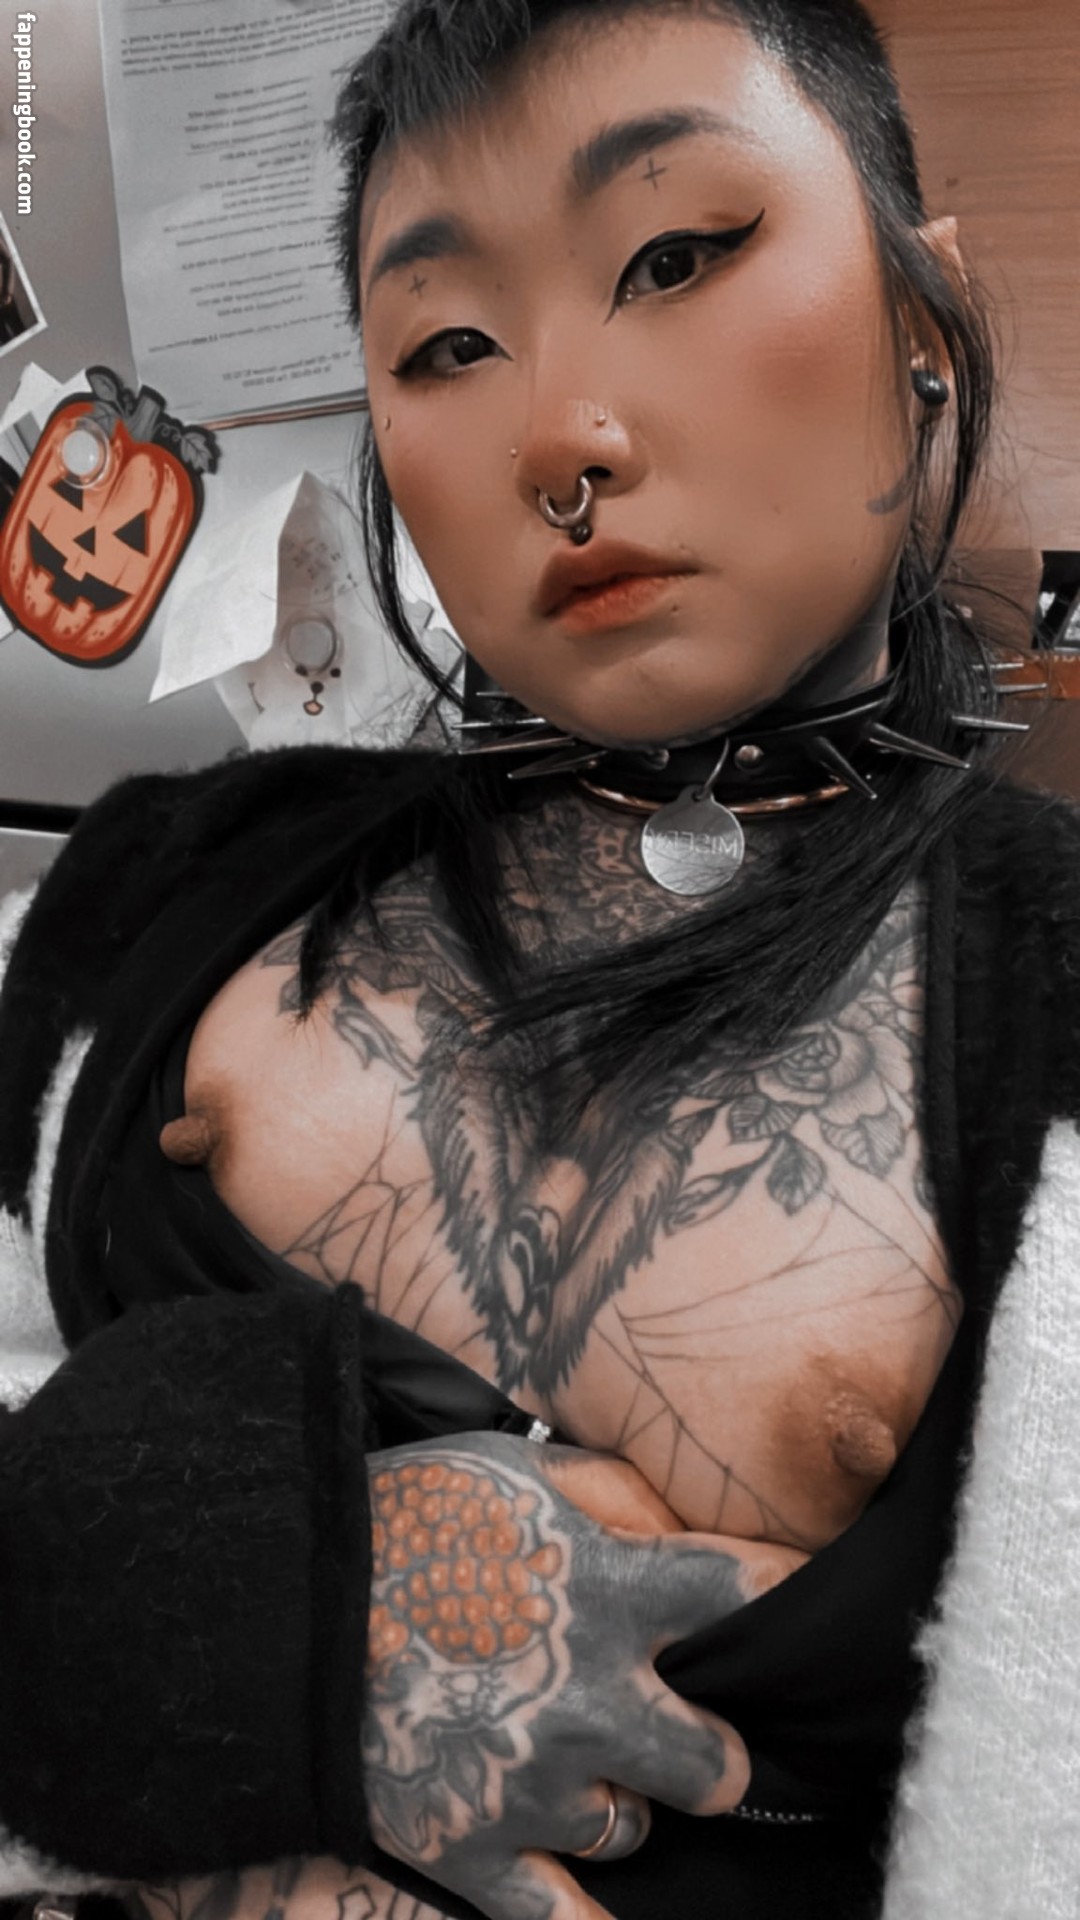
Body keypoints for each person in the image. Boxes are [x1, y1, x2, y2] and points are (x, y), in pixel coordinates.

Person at [0, 3, 1078, 1919]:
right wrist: (239, 1612)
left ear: (923, 321)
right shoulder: (161, 877)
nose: (562, 442)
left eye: (675, 256)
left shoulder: (1049, 990)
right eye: (446, 346)